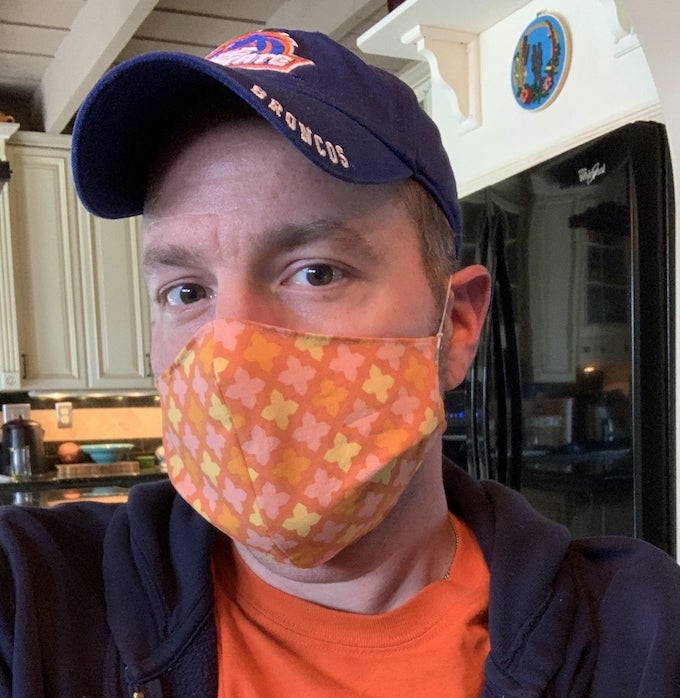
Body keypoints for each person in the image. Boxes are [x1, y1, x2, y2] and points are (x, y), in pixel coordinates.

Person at [0, 28, 678, 697]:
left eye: (317, 272)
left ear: (460, 325)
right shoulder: (40, 600)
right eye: (187, 291)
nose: (232, 357)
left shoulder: (638, 635)